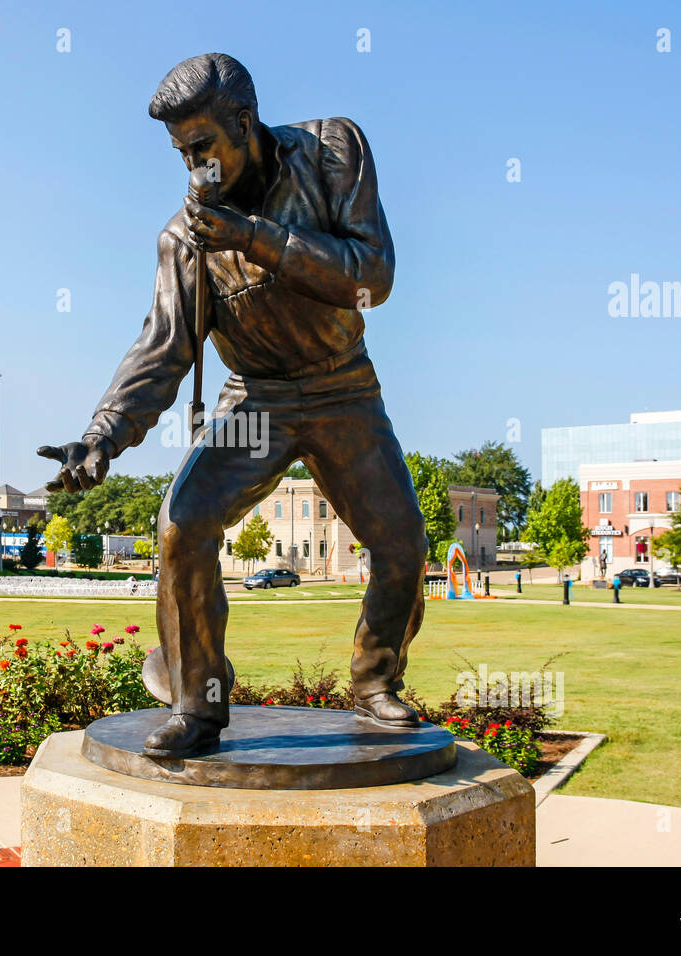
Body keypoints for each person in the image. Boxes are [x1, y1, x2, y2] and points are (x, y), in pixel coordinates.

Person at [39, 53, 427, 758]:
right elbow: (163, 349)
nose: (194, 168)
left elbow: (373, 277)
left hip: (345, 386)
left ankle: (376, 680)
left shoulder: (333, 150)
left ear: (245, 122)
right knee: (180, 526)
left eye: (202, 146)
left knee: (402, 545)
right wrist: (102, 436)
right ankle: (198, 701)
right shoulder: (183, 238)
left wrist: (256, 238)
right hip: (255, 398)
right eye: (181, 153)